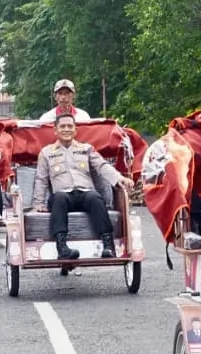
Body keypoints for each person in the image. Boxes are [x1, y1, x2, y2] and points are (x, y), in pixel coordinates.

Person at [31, 111, 134, 259]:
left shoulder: (86, 149)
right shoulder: (46, 153)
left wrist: (119, 179)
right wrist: (38, 203)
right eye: (63, 126)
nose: (66, 129)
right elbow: (41, 179)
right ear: (55, 130)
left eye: (70, 126)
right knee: (59, 198)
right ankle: (62, 248)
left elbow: (102, 166)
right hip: (63, 196)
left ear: (75, 130)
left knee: (95, 197)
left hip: (85, 193)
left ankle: (108, 245)